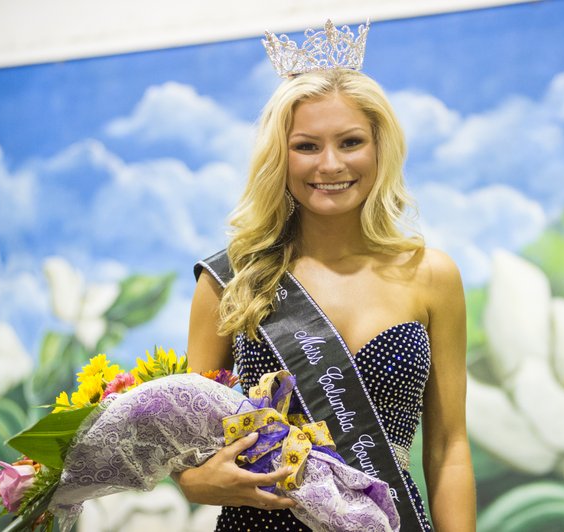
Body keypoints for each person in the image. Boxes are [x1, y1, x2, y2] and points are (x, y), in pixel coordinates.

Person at [175, 22, 475, 532]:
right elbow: (188, 453)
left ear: (380, 148)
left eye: (351, 141)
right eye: (307, 146)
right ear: (278, 156)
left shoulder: (431, 276)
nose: (330, 164)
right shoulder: (233, 281)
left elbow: (449, 449)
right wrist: (200, 482)